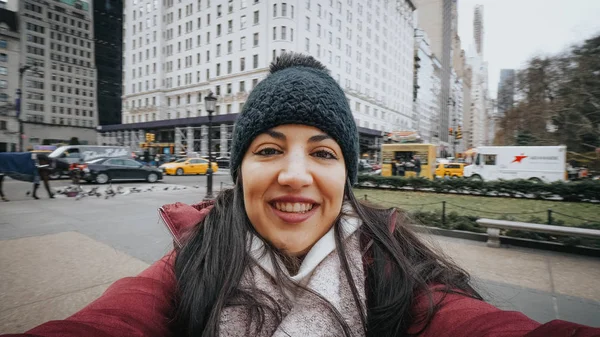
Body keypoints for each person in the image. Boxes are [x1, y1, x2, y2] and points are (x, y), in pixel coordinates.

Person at [5, 53, 598, 337]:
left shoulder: (397, 271)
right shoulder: (188, 263)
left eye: (322, 152)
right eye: (267, 150)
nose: (294, 175)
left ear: (347, 176)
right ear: (240, 170)